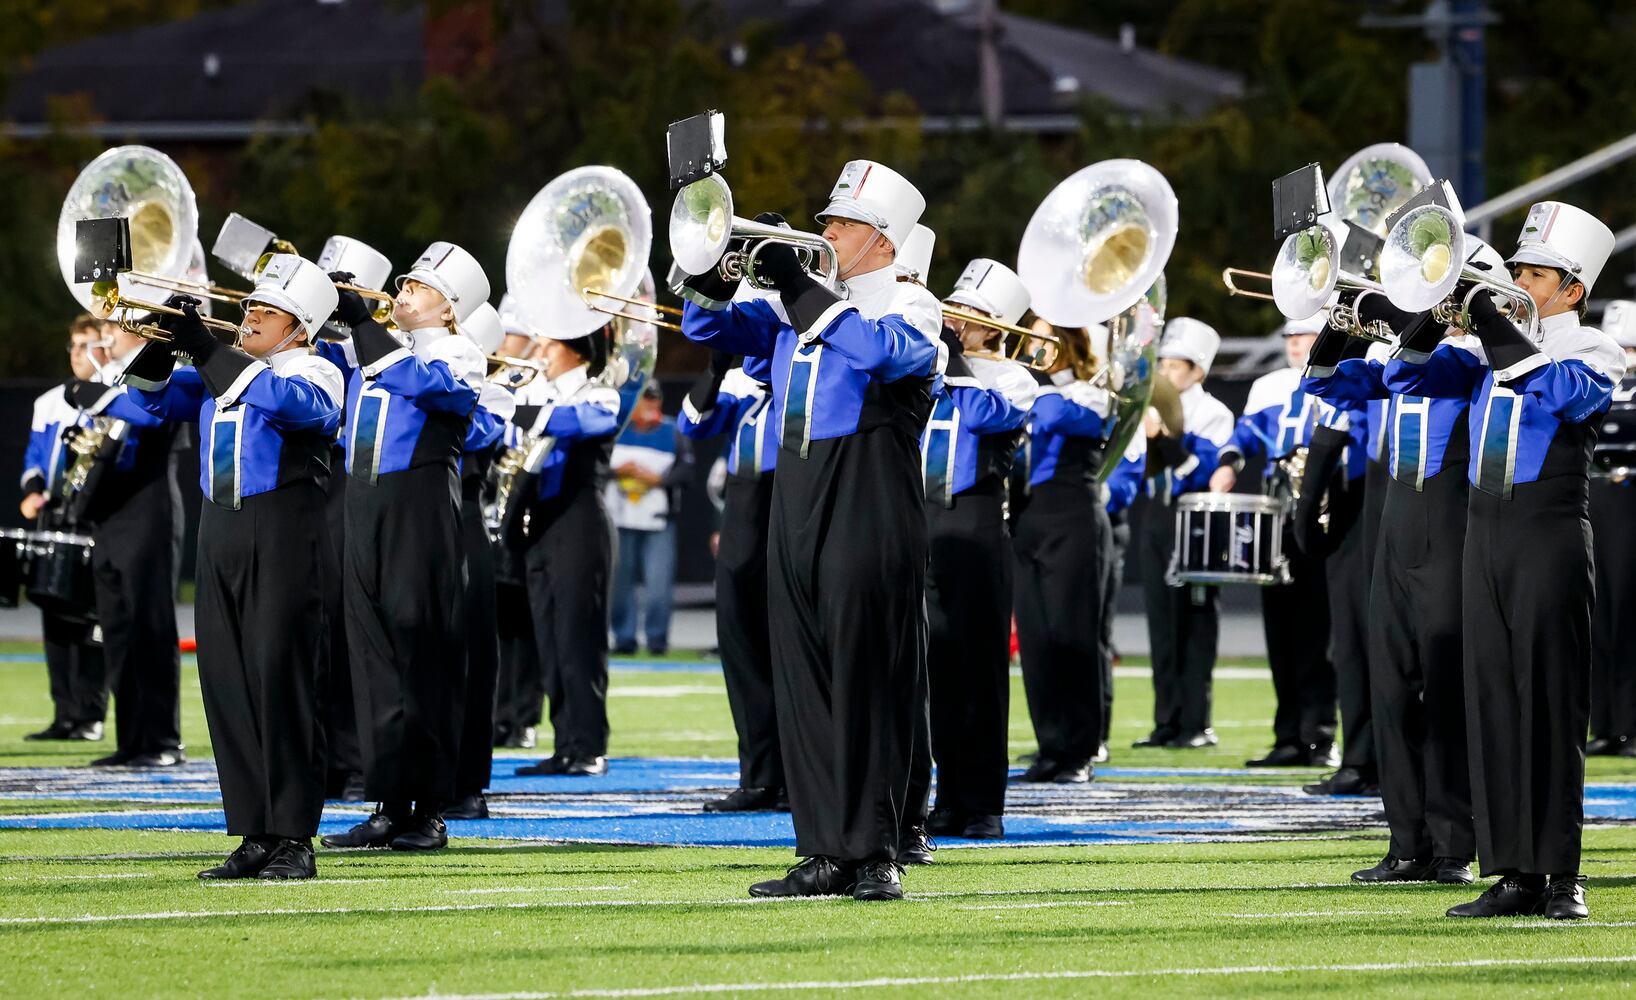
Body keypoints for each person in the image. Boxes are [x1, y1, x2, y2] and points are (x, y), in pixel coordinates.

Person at [679, 159, 942, 901]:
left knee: (869, 678)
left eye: (842, 224)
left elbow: (883, 355)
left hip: (870, 499)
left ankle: (879, 849)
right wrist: (711, 259)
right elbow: (706, 323)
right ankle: (824, 848)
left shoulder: (911, 307)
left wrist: (799, 284)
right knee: (803, 678)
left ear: (883, 242)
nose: (824, 232)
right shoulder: (797, 310)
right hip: (793, 494)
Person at [1385, 201, 1622, 920]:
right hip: (1480, 534)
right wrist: (1434, 305)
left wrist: (1492, 318)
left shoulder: (1590, 349)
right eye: (1515, 269)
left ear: (1572, 290)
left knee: (1550, 701)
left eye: (1533, 272)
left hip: (1546, 534)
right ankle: (1513, 870)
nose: (1517, 280)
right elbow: (1405, 376)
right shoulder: (1487, 349)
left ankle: (1561, 876)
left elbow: (1560, 395)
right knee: (1491, 701)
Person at [127, 256, 343, 880]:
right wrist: (161, 334)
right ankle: (253, 831)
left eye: (264, 311)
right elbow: (147, 399)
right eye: (248, 307)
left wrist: (207, 347)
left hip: (282, 530)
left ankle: (295, 837)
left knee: (283, 682)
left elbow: (300, 410)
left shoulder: (316, 370)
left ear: (298, 326)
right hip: (218, 528)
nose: (248, 316)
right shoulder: (227, 371)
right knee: (228, 684)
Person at [1302, 286, 1478, 887]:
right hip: (1395, 522)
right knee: (1393, 689)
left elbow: (1414, 365)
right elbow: (1321, 381)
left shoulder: (1476, 356)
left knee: (1445, 691)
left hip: (1451, 522)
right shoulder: (1402, 358)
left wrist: (1398, 314)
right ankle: (1407, 844)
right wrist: (1340, 318)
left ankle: (1454, 845)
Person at [320, 242, 488, 853]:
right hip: (361, 502)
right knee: (373, 658)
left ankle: (432, 810)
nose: (403, 292)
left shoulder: (461, 352)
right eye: (405, 282)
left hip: (418, 508)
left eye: (419, 286)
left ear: (449, 308)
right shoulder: (368, 349)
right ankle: (389, 803)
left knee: (424, 655)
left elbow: (429, 387)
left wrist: (365, 324)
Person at [921, 260, 1036, 837]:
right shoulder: (931, 366)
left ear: (996, 327)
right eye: (952, 311)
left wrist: (956, 359)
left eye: (971, 316)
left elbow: (986, 415)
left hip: (977, 524)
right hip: (924, 521)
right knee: (936, 669)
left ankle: (985, 800)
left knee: (981, 669)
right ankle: (947, 795)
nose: (956, 321)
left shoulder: (1016, 378)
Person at [1211, 317, 1339, 768]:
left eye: (1305, 336)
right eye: (1290, 337)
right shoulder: (1267, 386)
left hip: (1324, 516)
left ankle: (1320, 735)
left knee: (1318, 632)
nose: (1296, 344)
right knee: (1280, 631)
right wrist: (1228, 462)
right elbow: (1243, 437)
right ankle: (1287, 737)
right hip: (1278, 515)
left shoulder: (1341, 372)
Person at [508, 323, 622, 778]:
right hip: (542, 526)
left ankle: (590, 746)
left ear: (575, 351)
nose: (540, 352)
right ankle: (565, 744)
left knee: (580, 639)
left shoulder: (599, 392)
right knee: (550, 641)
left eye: (549, 344)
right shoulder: (545, 395)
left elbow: (588, 423)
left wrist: (521, 409)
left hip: (580, 524)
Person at [71, 323, 185, 768]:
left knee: (150, 627)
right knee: (118, 632)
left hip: (148, 509)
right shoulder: (114, 376)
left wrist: (95, 396)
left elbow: (155, 414)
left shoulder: (162, 370)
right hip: (110, 513)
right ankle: (132, 738)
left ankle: (162, 740)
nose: (104, 333)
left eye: (114, 325)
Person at [679, 350, 784, 813]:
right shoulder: (744, 382)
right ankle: (760, 777)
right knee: (740, 644)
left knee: (795, 649)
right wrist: (716, 368)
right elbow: (692, 423)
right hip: (746, 500)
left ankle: (802, 781)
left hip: (792, 493)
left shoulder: (799, 365)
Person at [312, 233, 393, 803]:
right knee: (324, 634)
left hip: (367, 491)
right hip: (319, 497)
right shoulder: (320, 352)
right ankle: (334, 757)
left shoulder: (386, 347)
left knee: (362, 634)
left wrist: (355, 320)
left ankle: (365, 759)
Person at [1010, 318, 1107, 783]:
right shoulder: (1028, 388)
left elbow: (1055, 417)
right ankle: (1051, 744)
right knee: (1036, 639)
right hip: (1027, 518)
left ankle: (1080, 750)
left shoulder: (1090, 392)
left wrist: (1031, 381)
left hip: (1070, 515)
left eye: (1042, 338)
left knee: (1072, 634)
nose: (1031, 346)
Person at [1134, 318, 1233, 749]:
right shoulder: (1147, 406)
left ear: (1198, 370)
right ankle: (1165, 721)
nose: (1167, 372)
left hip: (1196, 522)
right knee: (1160, 624)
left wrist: (1166, 439)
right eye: (1165, 364)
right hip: (1157, 517)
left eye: (1177, 366)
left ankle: (1196, 723)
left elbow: (1201, 473)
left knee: (1194, 624)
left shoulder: (1214, 412)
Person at [18, 316, 110, 742]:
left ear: (103, 348)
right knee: (54, 613)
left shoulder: (115, 396)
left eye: (85, 345)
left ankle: (90, 714)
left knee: (91, 619)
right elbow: (36, 459)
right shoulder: (48, 403)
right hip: (55, 515)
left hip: (96, 517)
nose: (76, 354)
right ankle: (64, 714)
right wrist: (34, 492)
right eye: (72, 345)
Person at [446, 302, 516, 821]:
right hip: (406, 518)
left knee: (469, 658)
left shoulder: (492, 393)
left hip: (462, 519)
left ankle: (468, 782)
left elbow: (470, 437)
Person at [608, 382, 693, 656]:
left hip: (658, 519)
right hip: (619, 517)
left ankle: (657, 640)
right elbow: (592, 465)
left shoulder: (673, 431)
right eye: (645, 402)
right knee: (620, 585)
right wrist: (618, 471)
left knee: (659, 585)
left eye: (655, 402)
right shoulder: (613, 429)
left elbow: (688, 472)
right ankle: (624, 639)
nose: (651, 408)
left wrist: (660, 479)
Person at [1588, 299, 1636, 758]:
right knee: (1596, 613)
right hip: (1592, 493)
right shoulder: (1593, 375)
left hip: (1627, 497)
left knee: (1625, 613)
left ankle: (1629, 722)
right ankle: (1605, 722)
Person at [1100, 429, 1146, 763]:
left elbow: (1120, 489)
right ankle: (1055, 737)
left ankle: (1094, 736)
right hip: (1057, 523)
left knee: (1094, 633)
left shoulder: (1125, 416)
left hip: (1102, 523)